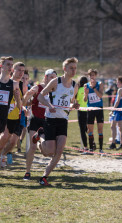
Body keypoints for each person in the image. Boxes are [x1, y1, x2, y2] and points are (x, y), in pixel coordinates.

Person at [34, 57, 79, 186]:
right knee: (49, 152)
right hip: (51, 119)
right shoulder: (55, 82)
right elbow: (41, 96)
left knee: (59, 152)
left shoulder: (75, 85)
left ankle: (44, 177)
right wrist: (49, 105)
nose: (73, 70)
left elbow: (70, 101)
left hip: (63, 121)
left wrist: (75, 105)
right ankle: (40, 136)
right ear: (64, 69)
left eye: (75, 68)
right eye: (71, 68)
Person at [22, 69, 57, 180]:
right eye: (52, 77)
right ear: (46, 77)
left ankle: (38, 139)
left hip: (48, 121)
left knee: (46, 152)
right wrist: (28, 95)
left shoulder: (55, 90)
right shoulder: (38, 88)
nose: (54, 79)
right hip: (35, 119)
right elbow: (25, 102)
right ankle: (27, 172)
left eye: (55, 77)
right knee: (32, 147)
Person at [83, 69, 104, 153]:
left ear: (96, 75)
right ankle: (91, 148)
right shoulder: (86, 85)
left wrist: (94, 88)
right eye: (90, 75)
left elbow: (100, 96)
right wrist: (86, 94)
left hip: (99, 109)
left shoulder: (100, 84)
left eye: (93, 75)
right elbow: (85, 100)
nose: (92, 77)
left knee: (100, 129)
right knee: (90, 130)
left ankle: (101, 149)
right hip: (90, 109)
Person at [108, 77, 122, 149]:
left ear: (121, 83)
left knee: (113, 126)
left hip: (117, 111)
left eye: (117, 82)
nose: (116, 83)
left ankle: (113, 143)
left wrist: (113, 109)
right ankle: (121, 143)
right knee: (120, 128)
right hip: (120, 110)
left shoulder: (120, 90)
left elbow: (117, 101)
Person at [76, 76, 89, 152]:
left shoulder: (79, 90)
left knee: (82, 130)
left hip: (81, 111)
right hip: (88, 110)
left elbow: (77, 101)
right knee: (87, 129)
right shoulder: (88, 90)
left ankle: (85, 147)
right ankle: (92, 143)